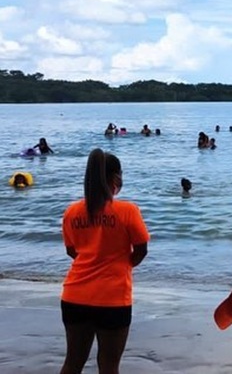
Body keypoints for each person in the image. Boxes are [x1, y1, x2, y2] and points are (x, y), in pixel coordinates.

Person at [60, 149, 149, 374]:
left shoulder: (72, 212)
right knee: (109, 366)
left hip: (74, 295)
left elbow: (73, 251)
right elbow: (140, 250)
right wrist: (121, 264)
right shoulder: (127, 211)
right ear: (116, 178)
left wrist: (93, 259)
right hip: (113, 298)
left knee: (72, 363)